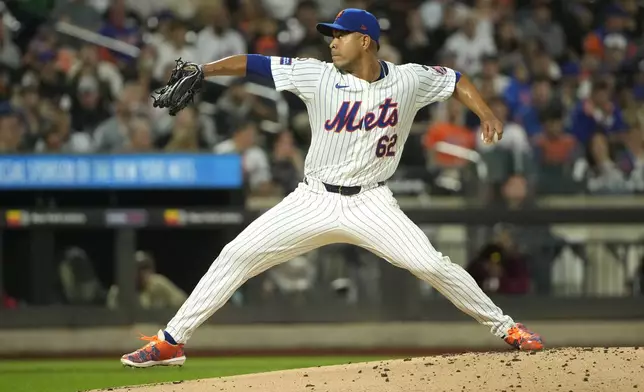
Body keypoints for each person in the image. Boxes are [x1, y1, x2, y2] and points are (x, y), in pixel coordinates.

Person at [121, 8, 543, 368]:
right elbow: (254, 63)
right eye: (330, 35)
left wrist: (485, 112)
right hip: (314, 198)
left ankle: (508, 328)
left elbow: (456, 79)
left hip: (372, 201)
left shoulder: (409, 80)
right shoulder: (317, 75)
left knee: (432, 265)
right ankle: (171, 340)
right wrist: (206, 70)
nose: (332, 42)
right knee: (236, 254)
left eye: (340, 36)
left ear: (366, 41)